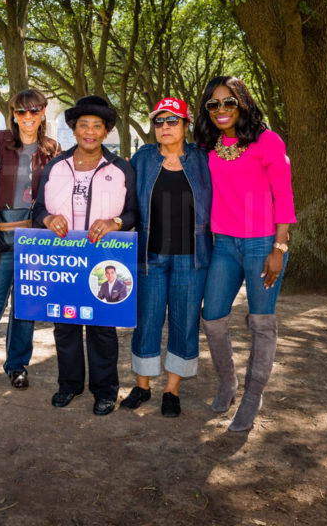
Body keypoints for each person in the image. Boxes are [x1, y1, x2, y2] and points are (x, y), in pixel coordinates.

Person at [193, 76, 296, 432]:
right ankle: (228, 382)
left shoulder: (267, 141)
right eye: (214, 104)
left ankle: (253, 396)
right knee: (213, 318)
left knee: (261, 323)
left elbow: (284, 195)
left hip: (261, 244)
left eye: (229, 102)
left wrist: (279, 248)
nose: (221, 110)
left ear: (244, 104)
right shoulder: (209, 145)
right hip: (223, 244)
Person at [33, 95, 139, 416]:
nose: (89, 132)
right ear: (74, 129)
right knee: (64, 325)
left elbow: (133, 213)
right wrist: (48, 219)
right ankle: (69, 385)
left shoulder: (121, 169)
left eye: (97, 126)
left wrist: (115, 222)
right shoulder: (56, 166)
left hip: (103, 260)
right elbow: (38, 209)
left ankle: (105, 391)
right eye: (83, 125)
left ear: (106, 131)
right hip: (63, 260)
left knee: (101, 328)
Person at [122, 97, 213, 418]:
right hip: (150, 257)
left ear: (186, 125)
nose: (164, 127)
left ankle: (171, 389)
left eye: (172, 121)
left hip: (193, 259)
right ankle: (142, 385)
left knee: (184, 322)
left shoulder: (204, 160)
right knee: (147, 321)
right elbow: (126, 201)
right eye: (159, 122)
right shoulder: (143, 159)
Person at [0, 89, 60, 390]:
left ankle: (17, 365)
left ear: (43, 112)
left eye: (34, 110)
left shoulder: (52, 149)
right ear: (13, 114)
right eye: (21, 112)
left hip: (35, 242)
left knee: (26, 308)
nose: (28, 117)